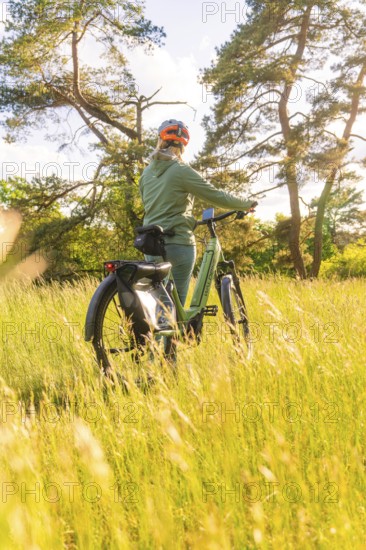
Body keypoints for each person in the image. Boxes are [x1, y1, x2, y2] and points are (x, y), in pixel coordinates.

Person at [138, 119, 257, 307]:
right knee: (177, 310)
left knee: (160, 306)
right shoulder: (181, 170)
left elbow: (149, 205)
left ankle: (156, 336)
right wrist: (245, 204)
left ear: (160, 140)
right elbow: (215, 195)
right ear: (183, 145)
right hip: (178, 242)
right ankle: (180, 334)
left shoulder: (146, 174)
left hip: (151, 244)